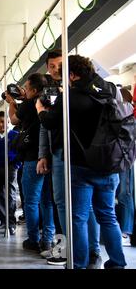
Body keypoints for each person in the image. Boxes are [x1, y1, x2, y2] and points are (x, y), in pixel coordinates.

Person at [37, 55, 127, 269]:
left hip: (81, 165)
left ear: (72, 74)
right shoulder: (110, 89)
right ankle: (117, 263)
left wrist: (40, 109)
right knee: (107, 216)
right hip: (109, 163)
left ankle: (79, 264)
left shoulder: (71, 96)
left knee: (77, 218)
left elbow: (50, 122)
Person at [5, 73, 55, 253]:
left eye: (26, 88)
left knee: (31, 202)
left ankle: (33, 239)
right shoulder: (50, 101)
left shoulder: (27, 105)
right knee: (47, 201)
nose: (24, 91)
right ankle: (48, 238)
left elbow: (13, 120)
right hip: (50, 157)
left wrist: (12, 102)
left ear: (34, 90)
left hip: (32, 158)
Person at [0, 111, 20, 235]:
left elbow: (18, 153)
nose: (0, 125)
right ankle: (3, 220)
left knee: (10, 194)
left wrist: (15, 165)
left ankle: (11, 222)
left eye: (2, 122)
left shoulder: (14, 135)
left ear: (7, 121)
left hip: (10, 168)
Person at [116, 88, 135, 247]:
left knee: (125, 193)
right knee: (122, 193)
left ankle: (126, 231)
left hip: (125, 160)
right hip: (119, 159)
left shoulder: (130, 118)